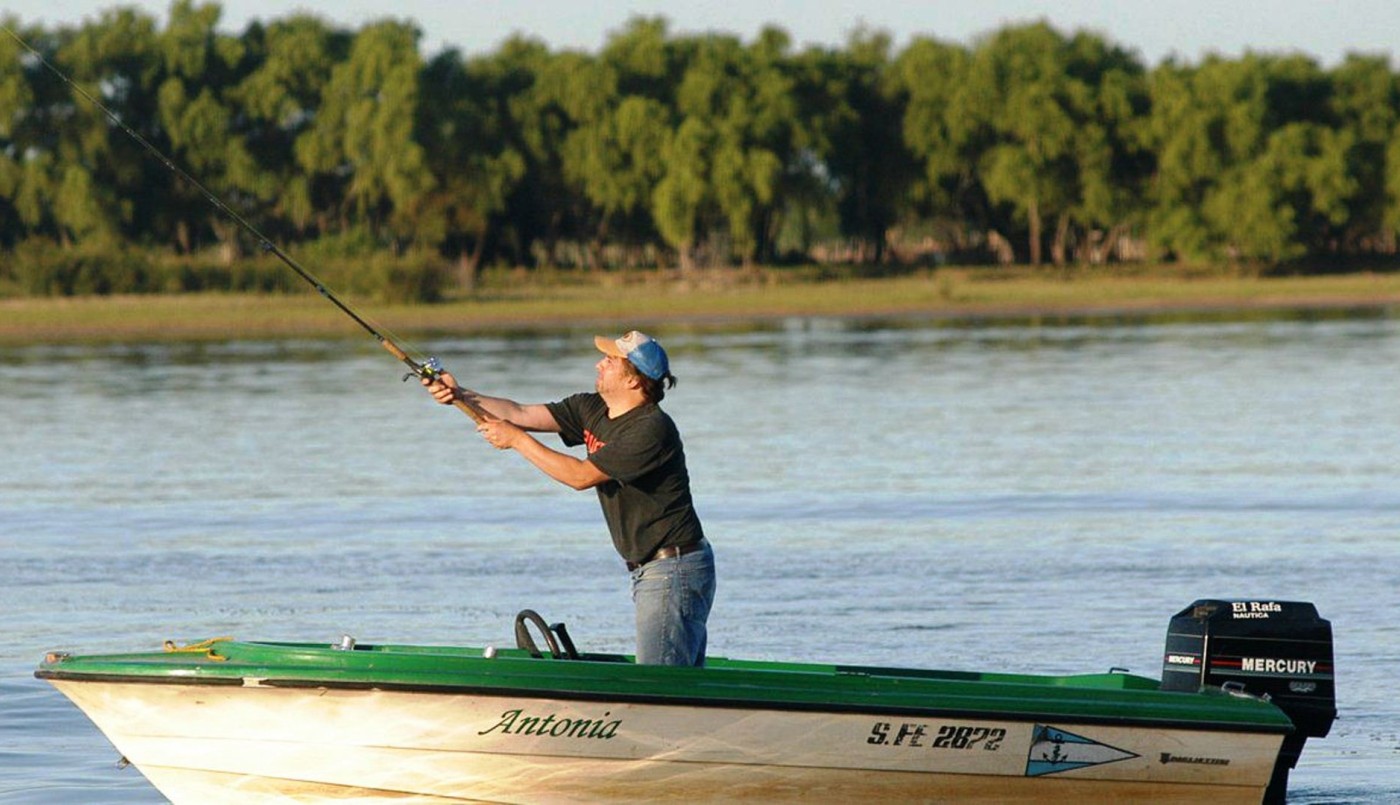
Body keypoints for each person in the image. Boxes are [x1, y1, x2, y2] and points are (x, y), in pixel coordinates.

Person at [423, 330, 715, 666]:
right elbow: (517, 413)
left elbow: (580, 476)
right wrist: (458, 395)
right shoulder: (591, 408)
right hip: (654, 568)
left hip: (673, 568)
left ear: (635, 381)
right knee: (671, 679)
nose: (599, 363)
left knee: (661, 685)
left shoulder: (651, 429)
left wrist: (517, 441)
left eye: (610, 360)